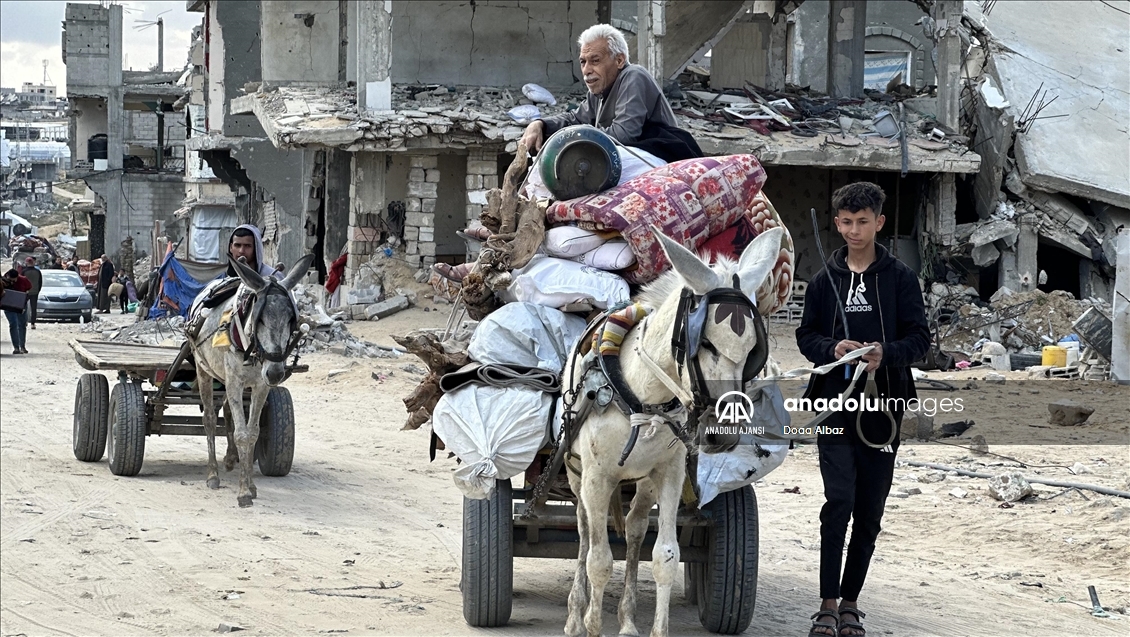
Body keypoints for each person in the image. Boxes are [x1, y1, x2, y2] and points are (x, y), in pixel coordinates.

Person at [795, 182, 930, 637]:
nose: (855, 230)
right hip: (833, 405)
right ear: (836, 223)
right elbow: (805, 336)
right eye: (847, 222)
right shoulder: (823, 280)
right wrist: (834, 346)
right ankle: (827, 603)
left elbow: (920, 340)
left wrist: (884, 353)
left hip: (883, 407)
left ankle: (851, 603)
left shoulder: (900, 279)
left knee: (870, 509)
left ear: (880, 223)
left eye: (864, 221)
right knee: (840, 501)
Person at [520, 24, 701, 163]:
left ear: (619, 60)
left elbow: (623, 136)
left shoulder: (633, 76)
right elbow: (576, 119)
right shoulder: (599, 88)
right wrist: (540, 124)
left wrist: (571, 137)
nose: (586, 70)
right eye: (583, 62)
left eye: (595, 60)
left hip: (662, 159)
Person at [3, 268, 31, 354]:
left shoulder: (23, 279)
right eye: (12, 279)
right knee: (13, 324)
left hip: (21, 305)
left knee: (22, 324)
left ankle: (22, 346)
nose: (14, 281)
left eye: (15, 279)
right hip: (8, 306)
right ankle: (16, 347)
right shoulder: (3, 281)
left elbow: (29, 288)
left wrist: (25, 295)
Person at [20, 256, 42, 330]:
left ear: (27, 263)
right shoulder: (37, 271)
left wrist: (22, 291)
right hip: (35, 292)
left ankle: (24, 321)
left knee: (24, 307)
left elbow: (21, 282)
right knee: (33, 308)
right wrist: (38, 290)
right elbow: (40, 282)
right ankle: (33, 323)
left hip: (25, 292)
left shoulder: (24, 271)